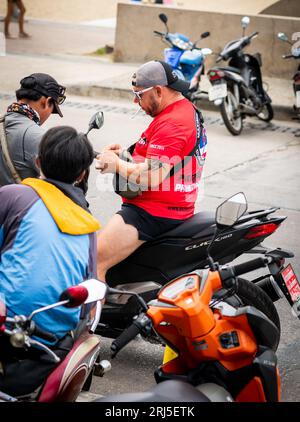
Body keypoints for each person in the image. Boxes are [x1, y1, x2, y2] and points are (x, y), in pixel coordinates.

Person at [0, 125, 100, 396]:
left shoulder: (14, 196)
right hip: (51, 343)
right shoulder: (87, 225)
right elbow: (90, 296)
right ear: (81, 175)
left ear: (37, 162)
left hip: (7, 328)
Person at [95, 60, 207, 281]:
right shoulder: (184, 110)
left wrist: (116, 165)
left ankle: (90, 316)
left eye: (138, 95)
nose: (135, 101)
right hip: (170, 206)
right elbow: (164, 159)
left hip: (151, 213)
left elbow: (151, 176)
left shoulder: (173, 123)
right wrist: (126, 156)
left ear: (158, 91)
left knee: (93, 261)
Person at [0, 73, 66, 186]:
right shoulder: (41, 138)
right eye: (52, 110)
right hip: (19, 203)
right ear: (46, 102)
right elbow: (62, 186)